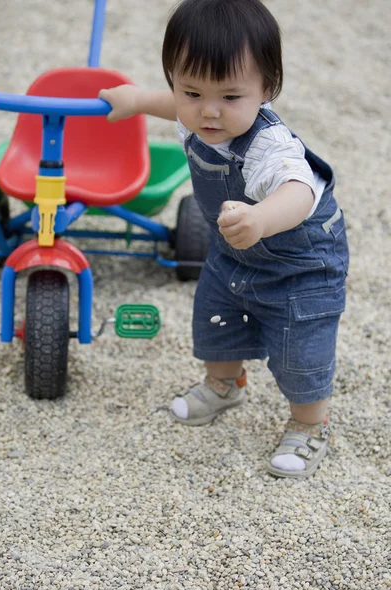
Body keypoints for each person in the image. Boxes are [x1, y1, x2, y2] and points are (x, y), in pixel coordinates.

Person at [99, 0, 349, 478]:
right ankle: (224, 384)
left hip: (301, 264)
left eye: (231, 97)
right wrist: (134, 100)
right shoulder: (193, 111)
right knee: (216, 321)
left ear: (266, 89)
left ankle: (310, 424)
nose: (208, 112)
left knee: (302, 348)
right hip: (235, 253)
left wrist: (261, 218)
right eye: (191, 91)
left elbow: (298, 192)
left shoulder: (270, 148)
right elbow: (172, 104)